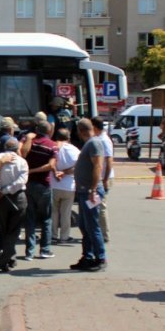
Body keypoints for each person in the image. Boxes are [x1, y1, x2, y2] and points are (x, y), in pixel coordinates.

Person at [70, 118, 107, 272]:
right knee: (85, 225)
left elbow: (98, 165)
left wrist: (92, 189)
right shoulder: (91, 143)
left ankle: (100, 257)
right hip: (86, 191)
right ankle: (88, 256)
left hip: (90, 191)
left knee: (92, 225)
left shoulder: (93, 143)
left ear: (80, 130)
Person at [19, 114, 58, 260]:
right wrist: (35, 170)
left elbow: (22, 154)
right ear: (49, 131)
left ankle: (29, 252)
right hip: (44, 185)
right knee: (46, 219)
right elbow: (51, 165)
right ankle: (45, 250)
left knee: (30, 218)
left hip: (29, 184)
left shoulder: (31, 142)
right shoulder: (52, 145)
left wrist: (29, 171)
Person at [0, 138, 28, 272]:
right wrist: (5, 190)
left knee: (5, 229)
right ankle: (3, 262)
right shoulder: (22, 161)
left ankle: (11, 258)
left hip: (2, 199)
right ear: (17, 148)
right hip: (18, 197)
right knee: (13, 231)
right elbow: (21, 181)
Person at [51, 129, 80, 243]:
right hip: (69, 186)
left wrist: (56, 172)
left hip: (53, 184)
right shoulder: (74, 150)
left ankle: (53, 235)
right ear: (69, 138)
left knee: (53, 212)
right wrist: (65, 172)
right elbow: (78, 167)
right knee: (66, 213)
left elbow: (50, 164)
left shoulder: (53, 147)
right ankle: (64, 236)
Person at [91, 116, 114, 243]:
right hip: (100, 177)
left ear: (94, 127)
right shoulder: (99, 138)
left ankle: (104, 235)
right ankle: (97, 231)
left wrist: (105, 179)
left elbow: (109, 160)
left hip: (104, 177)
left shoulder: (104, 140)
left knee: (101, 206)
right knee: (96, 205)